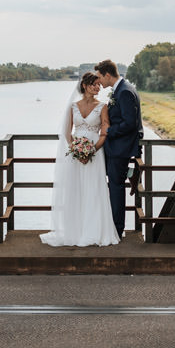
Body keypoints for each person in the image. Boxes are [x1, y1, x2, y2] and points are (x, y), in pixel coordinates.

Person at [40, 72, 120, 247]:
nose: (97, 87)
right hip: (75, 155)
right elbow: (67, 132)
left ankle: (94, 231)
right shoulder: (73, 106)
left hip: (94, 153)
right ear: (85, 85)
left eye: (99, 85)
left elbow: (105, 133)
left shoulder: (103, 107)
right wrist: (76, 151)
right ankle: (74, 231)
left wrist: (91, 151)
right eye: (94, 84)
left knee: (93, 190)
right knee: (75, 190)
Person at [94, 59, 143, 238]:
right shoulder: (122, 89)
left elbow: (130, 123)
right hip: (117, 148)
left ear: (108, 75)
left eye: (100, 77)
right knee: (114, 186)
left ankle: (116, 229)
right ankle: (131, 174)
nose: (99, 81)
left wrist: (109, 130)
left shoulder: (124, 92)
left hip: (119, 149)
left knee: (115, 188)